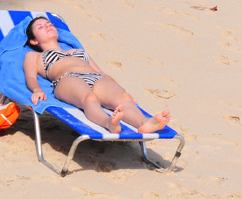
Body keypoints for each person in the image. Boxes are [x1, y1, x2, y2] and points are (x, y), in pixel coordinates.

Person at [22, 16, 170, 134]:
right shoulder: (34, 56)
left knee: (122, 98)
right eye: (40, 27)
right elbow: (30, 77)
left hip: (96, 78)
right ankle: (108, 123)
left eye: (49, 24)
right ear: (34, 40)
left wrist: (122, 91)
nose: (47, 26)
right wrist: (36, 89)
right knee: (89, 98)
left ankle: (144, 123)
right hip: (68, 79)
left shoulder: (77, 51)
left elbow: (101, 73)